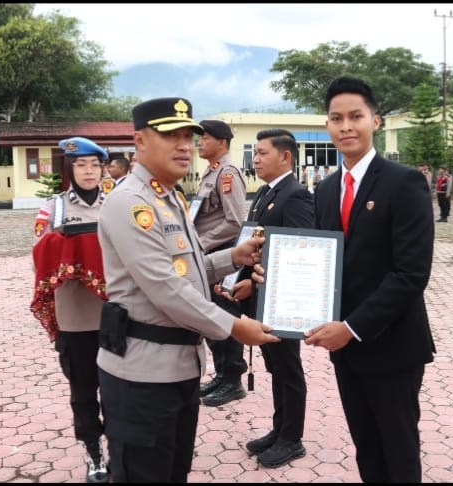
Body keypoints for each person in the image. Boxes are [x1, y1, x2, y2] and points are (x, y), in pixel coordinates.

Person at [95, 97, 279, 483]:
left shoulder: (169, 197)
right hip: (142, 376)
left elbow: (185, 270)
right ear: (139, 141)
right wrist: (233, 327)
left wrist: (232, 257)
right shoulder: (130, 202)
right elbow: (165, 288)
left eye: (187, 137)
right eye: (170, 136)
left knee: (174, 472)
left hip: (179, 367)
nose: (184, 146)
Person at [303, 76, 436, 482]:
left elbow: (411, 274)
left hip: (392, 345)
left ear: (375, 121)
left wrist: (351, 328)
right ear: (327, 125)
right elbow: (322, 262)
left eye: (355, 116)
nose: (346, 126)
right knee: (366, 446)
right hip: (345, 350)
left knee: (398, 449)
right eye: (336, 118)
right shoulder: (326, 190)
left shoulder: (404, 182)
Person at [223, 128, 314, 468]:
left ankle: (292, 438)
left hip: (284, 299)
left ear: (285, 157)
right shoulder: (265, 192)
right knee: (275, 366)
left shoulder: (296, 196)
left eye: (262, 153)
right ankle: (279, 428)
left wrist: (256, 284)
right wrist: (243, 280)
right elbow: (258, 244)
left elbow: (299, 252)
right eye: (255, 153)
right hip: (263, 296)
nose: (256, 159)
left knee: (288, 367)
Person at [29, 136, 110, 483]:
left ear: (103, 169)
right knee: (83, 390)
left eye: (95, 165)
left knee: (118, 389)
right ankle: (93, 452)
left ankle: (119, 445)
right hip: (76, 318)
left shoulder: (116, 205)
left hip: (116, 314)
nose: (89, 171)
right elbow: (40, 261)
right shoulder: (54, 209)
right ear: (69, 169)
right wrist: (70, 250)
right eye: (81, 165)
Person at [194, 119, 249, 407]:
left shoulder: (228, 174)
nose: (199, 143)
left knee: (225, 316)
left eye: (205, 138)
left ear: (222, 142)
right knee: (210, 318)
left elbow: (234, 221)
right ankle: (222, 373)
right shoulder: (211, 172)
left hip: (222, 255)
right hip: (209, 256)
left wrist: (199, 244)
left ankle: (233, 380)